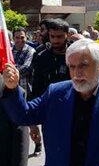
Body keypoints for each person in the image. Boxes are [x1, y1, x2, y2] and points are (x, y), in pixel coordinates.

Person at [29, 19, 71, 157]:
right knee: (53, 150)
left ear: (67, 35)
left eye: (59, 36)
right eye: (52, 36)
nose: (55, 40)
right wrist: (33, 122)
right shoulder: (42, 57)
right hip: (51, 112)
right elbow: (36, 88)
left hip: (75, 109)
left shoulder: (76, 55)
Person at [12, 27, 35, 95]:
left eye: (22, 37)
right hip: (9, 90)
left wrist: (8, 72)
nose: (20, 40)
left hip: (24, 90)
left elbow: (26, 68)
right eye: (17, 37)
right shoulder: (9, 51)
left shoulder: (31, 51)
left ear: (26, 37)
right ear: (13, 38)